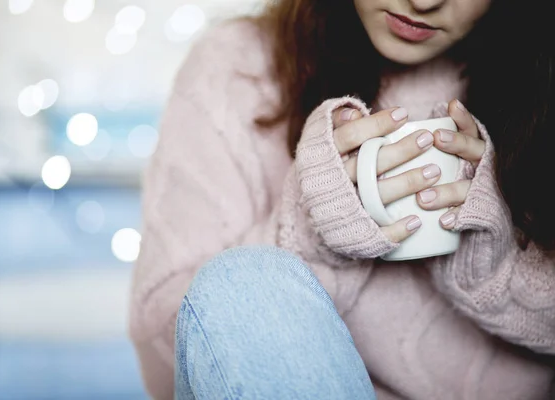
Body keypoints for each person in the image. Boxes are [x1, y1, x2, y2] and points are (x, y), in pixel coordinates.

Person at [130, 0, 555, 398]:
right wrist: (313, 231)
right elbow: (170, 354)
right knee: (241, 280)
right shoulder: (238, 68)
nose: (424, 2)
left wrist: (496, 268)